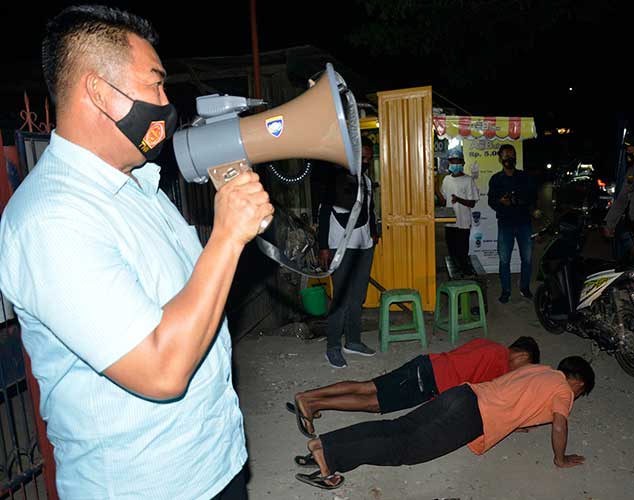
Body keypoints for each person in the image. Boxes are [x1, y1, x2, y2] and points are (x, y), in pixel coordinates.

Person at [0, 6, 274, 498]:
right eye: (155, 85)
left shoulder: (141, 188)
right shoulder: (49, 220)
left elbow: (189, 305)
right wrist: (227, 236)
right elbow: (161, 369)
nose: (167, 103)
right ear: (99, 93)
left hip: (213, 466)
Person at [294, 356, 595, 490]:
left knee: (396, 427)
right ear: (577, 382)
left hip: (463, 394)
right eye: (580, 391)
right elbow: (559, 424)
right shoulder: (563, 390)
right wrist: (560, 458)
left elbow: (511, 394)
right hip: (470, 417)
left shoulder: (539, 370)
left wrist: (515, 423)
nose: (576, 396)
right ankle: (328, 461)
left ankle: (325, 443)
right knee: (406, 450)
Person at [289, 336, 541, 438]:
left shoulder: (489, 344)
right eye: (524, 365)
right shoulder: (499, 360)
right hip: (429, 380)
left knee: (369, 390)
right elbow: (485, 396)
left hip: (428, 367)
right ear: (521, 355)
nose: (518, 371)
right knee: (371, 399)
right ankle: (310, 401)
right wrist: (508, 423)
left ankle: (311, 399)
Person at [317, 139, 379, 368]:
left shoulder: (367, 182)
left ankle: (353, 341)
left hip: (364, 244)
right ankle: (333, 346)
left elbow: (370, 208)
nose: (365, 162)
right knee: (341, 298)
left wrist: (373, 232)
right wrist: (323, 246)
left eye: (368, 158)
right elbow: (323, 212)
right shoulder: (336, 179)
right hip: (339, 243)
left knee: (358, 297)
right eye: (361, 157)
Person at [487, 144, 537, 303]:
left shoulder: (524, 177)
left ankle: (524, 287)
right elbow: (491, 201)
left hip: (524, 224)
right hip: (505, 224)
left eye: (512, 155)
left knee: (527, 259)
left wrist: (519, 201)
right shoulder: (496, 179)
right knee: (504, 260)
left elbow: (532, 197)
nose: (509, 158)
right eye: (506, 155)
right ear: (500, 159)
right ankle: (506, 290)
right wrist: (501, 202)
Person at [438, 148, 480, 274]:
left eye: (457, 161)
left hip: (463, 223)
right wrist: (435, 190)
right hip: (450, 223)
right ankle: (456, 276)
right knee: (452, 252)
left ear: (462, 163)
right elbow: (443, 201)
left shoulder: (468, 180)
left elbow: (472, 203)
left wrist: (459, 199)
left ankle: (465, 275)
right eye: (452, 161)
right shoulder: (446, 180)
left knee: (462, 253)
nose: (454, 164)